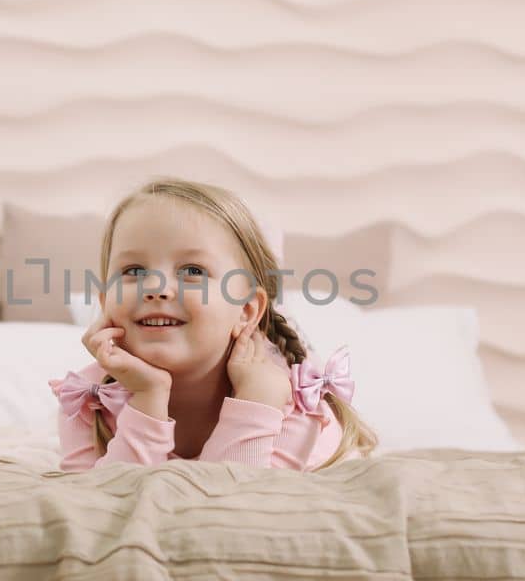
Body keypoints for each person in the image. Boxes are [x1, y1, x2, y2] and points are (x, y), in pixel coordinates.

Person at [48, 177, 377, 472]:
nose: (157, 288)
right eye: (133, 271)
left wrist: (254, 401)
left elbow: (227, 516)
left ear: (246, 311)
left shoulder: (286, 402)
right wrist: (147, 399)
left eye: (192, 271)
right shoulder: (88, 399)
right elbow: (97, 511)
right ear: (105, 302)